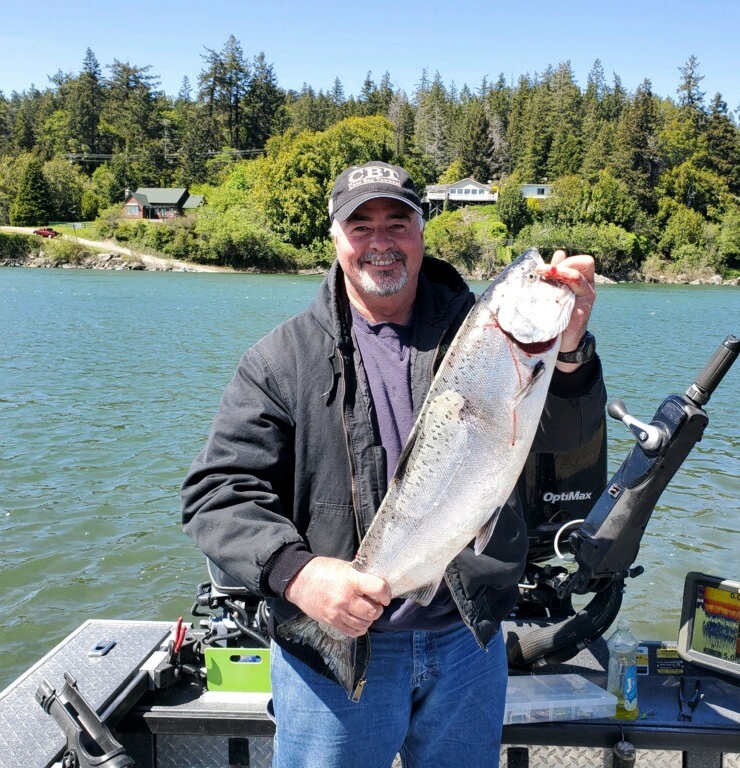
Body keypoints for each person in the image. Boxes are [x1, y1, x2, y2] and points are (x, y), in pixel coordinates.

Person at [181, 160, 604, 768]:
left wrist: (570, 352)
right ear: (335, 239)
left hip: (467, 644)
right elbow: (216, 493)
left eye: (397, 223)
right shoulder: (279, 360)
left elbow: (566, 445)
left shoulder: (481, 334)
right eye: (361, 226)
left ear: (422, 231)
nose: (381, 242)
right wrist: (299, 575)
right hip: (334, 655)